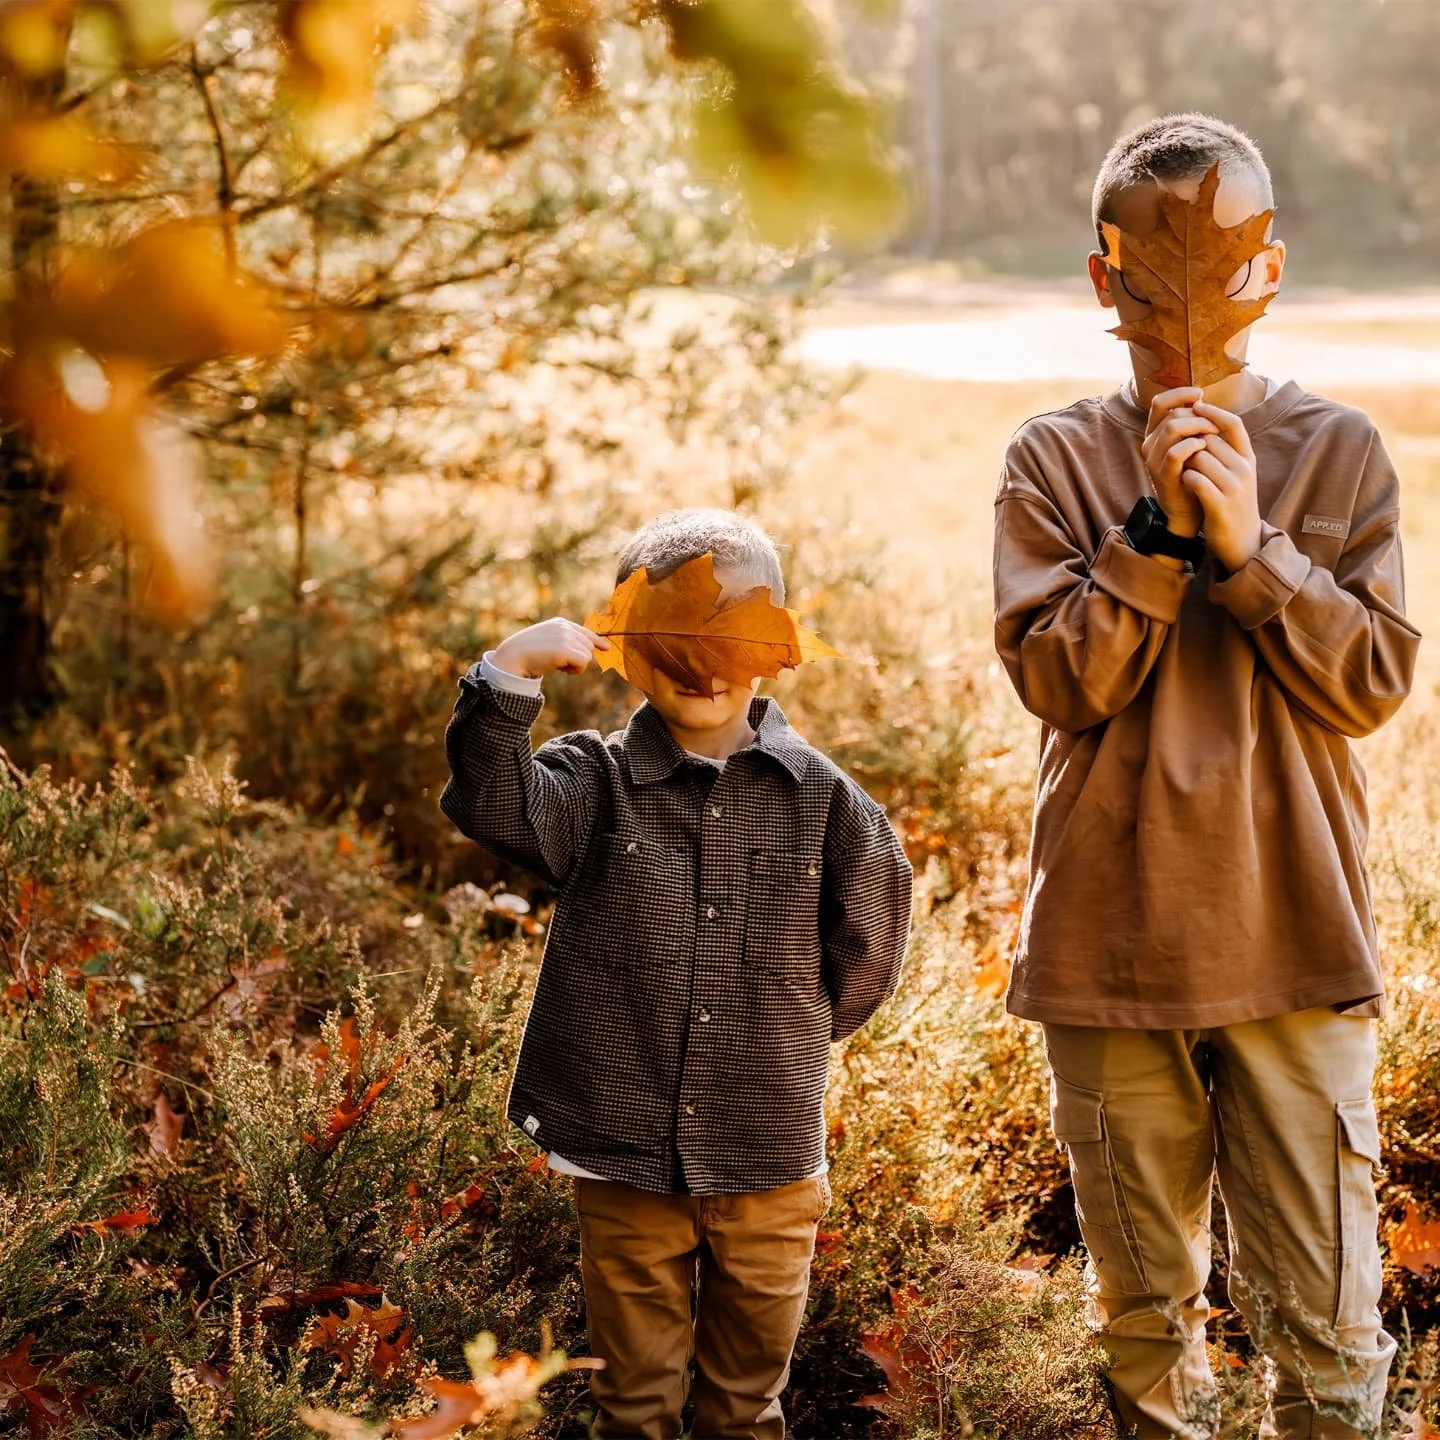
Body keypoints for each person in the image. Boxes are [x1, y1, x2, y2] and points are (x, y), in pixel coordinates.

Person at [992, 113, 1421, 1439]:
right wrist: (1152, 537)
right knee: (1144, 1339)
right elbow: (1062, 682)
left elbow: (1369, 684)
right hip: (1111, 956)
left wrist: (1251, 549)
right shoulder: (1053, 460)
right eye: (1155, 268)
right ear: (1103, 279)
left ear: (1270, 272)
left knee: (1332, 1345)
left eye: (1224, 260)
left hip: (1293, 944)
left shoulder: (1339, 451)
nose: (1191, 295)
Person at [440, 507, 912, 1440]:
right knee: (636, 1398)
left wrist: (786, 1037)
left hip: (768, 1156)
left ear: (772, 644)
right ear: (626, 644)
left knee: (746, 1401)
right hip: (622, 1152)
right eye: (676, 639)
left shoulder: (822, 798)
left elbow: (870, 941)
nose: (702, 665)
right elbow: (494, 803)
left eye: (730, 632)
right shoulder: (592, 785)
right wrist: (506, 675)